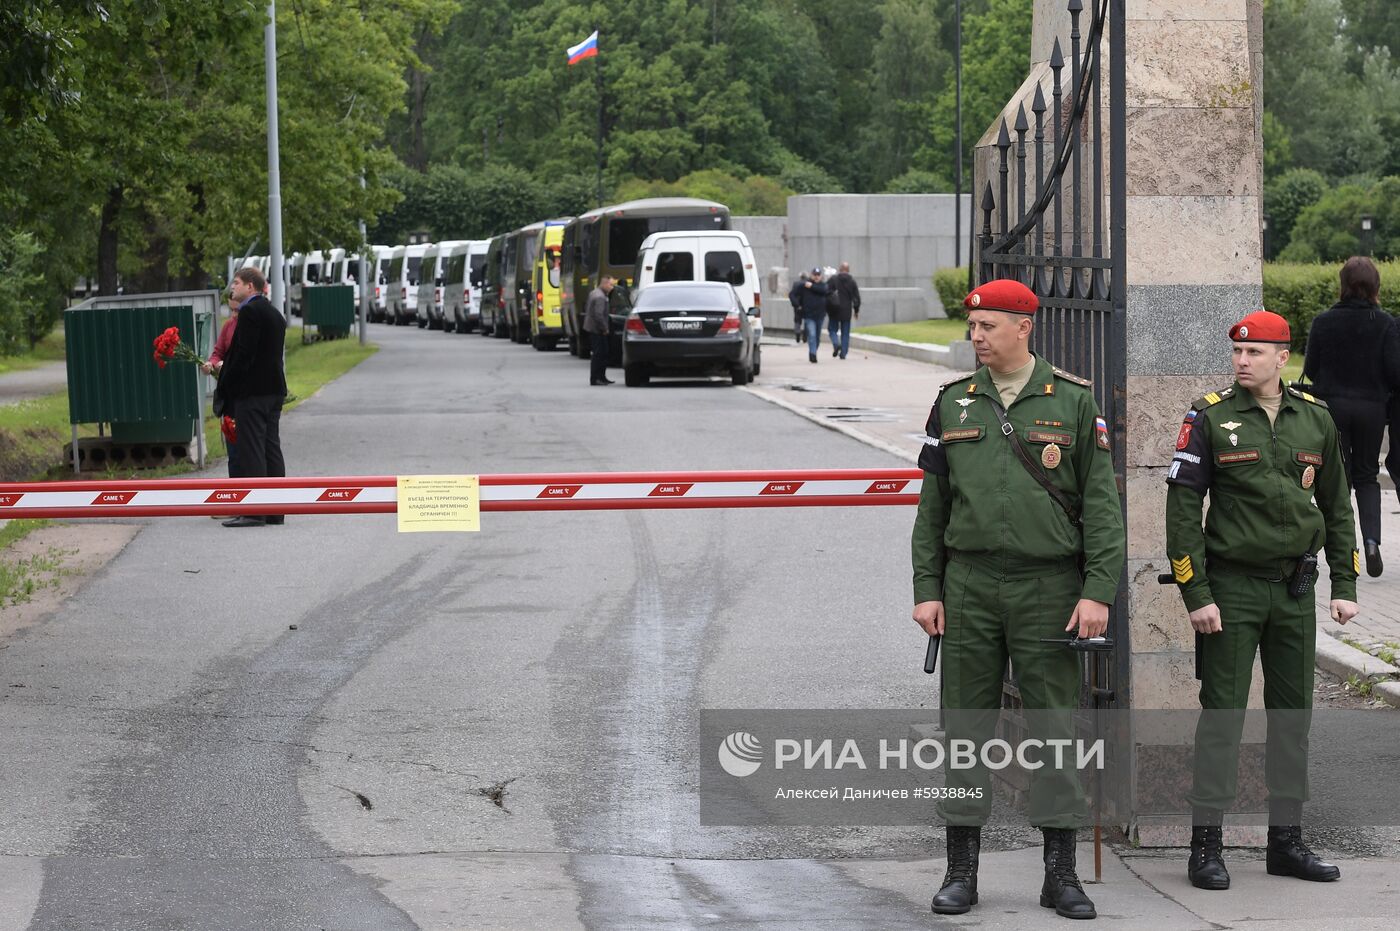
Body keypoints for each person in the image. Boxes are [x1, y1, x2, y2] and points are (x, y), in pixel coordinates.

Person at [911, 279, 1125, 920]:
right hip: (970, 587)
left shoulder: (1075, 402)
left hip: (1048, 589)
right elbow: (932, 509)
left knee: (1055, 730)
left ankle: (1060, 875)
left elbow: (1102, 508)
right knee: (964, 730)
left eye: (988, 326)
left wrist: (1098, 592)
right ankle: (961, 870)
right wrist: (928, 589)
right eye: (973, 326)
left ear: (1024, 327)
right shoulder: (953, 403)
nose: (975, 337)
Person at [1166, 309, 1358, 892]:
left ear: (1284, 358)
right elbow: (1181, 510)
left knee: (1292, 719)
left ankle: (1286, 843)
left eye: (1255, 353)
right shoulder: (1210, 416)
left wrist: (1344, 586)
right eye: (1237, 352)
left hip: (1295, 590)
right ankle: (1205, 846)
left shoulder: (1315, 419)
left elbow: (1338, 506)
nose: (1243, 361)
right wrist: (1194, 590)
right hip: (1231, 589)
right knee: (1222, 717)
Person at [1304, 257, 1400, 577]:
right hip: (1372, 409)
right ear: (1375, 286)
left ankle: (1345, 549)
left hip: (1332, 409)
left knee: (1337, 480)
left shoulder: (1323, 321)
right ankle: (1372, 542)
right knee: (1367, 476)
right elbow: (1394, 372)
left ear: (1342, 284)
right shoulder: (1385, 323)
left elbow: (1311, 368)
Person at [215, 266, 288, 528]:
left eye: (236, 283)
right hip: (274, 390)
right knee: (271, 448)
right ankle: (275, 511)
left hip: (252, 392)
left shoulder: (249, 312)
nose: (232, 288)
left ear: (250, 287)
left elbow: (243, 355)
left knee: (251, 449)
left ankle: (255, 511)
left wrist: (228, 384)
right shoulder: (275, 315)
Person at [584, 275, 615, 386]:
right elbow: (598, 315)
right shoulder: (600, 297)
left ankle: (601, 377)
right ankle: (596, 378)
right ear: (605, 284)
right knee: (599, 354)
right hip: (597, 329)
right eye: (611, 285)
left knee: (602, 352)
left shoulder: (595, 292)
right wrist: (605, 328)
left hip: (593, 328)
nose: (612, 287)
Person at [826, 261, 861, 359]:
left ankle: (836, 344)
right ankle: (843, 353)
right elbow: (856, 298)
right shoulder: (852, 281)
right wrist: (856, 310)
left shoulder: (833, 279)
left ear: (840, 269)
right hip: (846, 310)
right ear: (848, 270)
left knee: (832, 329)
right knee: (845, 332)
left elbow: (826, 292)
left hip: (834, 309)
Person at [799, 267, 829, 363]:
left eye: (818, 275)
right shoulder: (805, 284)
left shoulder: (822, 285)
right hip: (809, 315)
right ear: (811, 275)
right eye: (814, 275)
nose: (816, 277)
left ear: (821, 276)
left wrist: (811, 286)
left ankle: (814, 350)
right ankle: (812, 354)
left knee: (817, 336)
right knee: (812, 334)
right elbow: (796, 292)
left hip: (820, 315)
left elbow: (823, 290)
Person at [788, 271, 808, 343]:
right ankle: (805, 335)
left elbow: (792, 295)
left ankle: (798, 333)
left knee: (797, 320)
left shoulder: (796, 284)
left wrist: (797, 305)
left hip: (798, 306)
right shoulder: (808, 284)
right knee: (807, 321)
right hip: (806, 306)